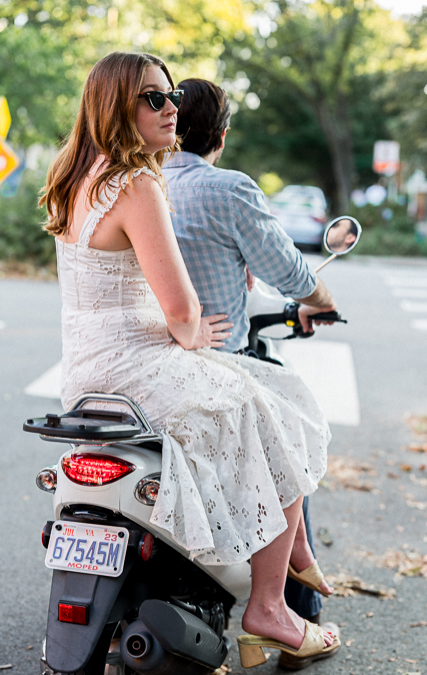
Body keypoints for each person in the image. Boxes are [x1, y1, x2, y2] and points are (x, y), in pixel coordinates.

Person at [39, 52, 340, 669]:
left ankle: (292, 555)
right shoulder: (137, 183)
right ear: (116, 105)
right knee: (283, 409)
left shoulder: (76, 179)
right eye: (154, 97)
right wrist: (196, 332)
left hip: (88, 374)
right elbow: (179, 312)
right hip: (142, 366)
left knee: (258, 401)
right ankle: (268, 605)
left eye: (171, 94)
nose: (171, 106)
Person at [161, 78, 338, 642]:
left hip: (134, 356)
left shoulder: (135, 184)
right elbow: (289, 273)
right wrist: (322, 302)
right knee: (294, 428)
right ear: (222, 133)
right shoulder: (227, 189)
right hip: (213, 357)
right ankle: (290, 606)